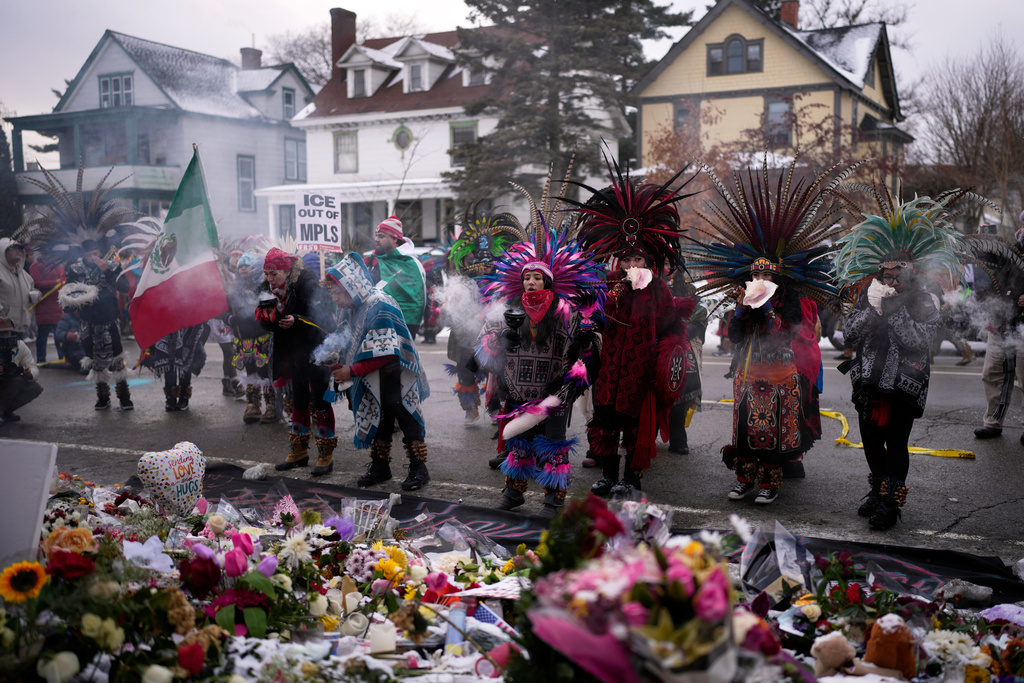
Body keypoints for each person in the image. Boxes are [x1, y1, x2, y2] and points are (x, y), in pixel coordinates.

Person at [684, 160, 850, 505]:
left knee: (773, 431)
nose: (763, 282)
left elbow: (790, 333)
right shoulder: (744, 300)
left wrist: (769, 309)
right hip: (748, 372)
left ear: (777, 280)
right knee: (746, 428)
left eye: (769, 278)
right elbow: (734, 335)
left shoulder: (789, 301)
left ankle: (771, 481)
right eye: (758, 277)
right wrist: (744, 308)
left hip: (780, 374)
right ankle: (745, 478)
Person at [832, 191, 965, 530]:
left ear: (908, 276)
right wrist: (873, 309)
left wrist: (892, 313)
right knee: (871, 440)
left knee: (896, 443)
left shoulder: (923, 300)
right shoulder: (870, 293)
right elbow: (849, 333)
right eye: (884, 277)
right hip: (869, 382)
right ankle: (877, 491)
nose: (889, 282)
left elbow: (919, 340)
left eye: (895, 278)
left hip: (905, 384)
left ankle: (891, 502)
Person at [568, 161, 698, 497]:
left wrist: (666, 357)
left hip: (642, 371)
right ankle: (609, 475)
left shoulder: (659, 290)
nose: (631, 266)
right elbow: (594, 318)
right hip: (610, 370)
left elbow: (671, 326)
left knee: (637, 428)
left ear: (648, 261)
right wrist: (588, 321)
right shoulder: (609, 283)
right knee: (606, 423)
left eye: (637, 260)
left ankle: (633, 477)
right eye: (625, 260)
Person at [475, 197, 605, 516]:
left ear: (547, 281)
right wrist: (497, 339)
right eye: (526, 278)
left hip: (553, 394)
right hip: (519, 392)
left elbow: (582, 352)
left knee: (553, 446)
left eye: (537, 278)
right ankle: (513, 493)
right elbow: (486, 347)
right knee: (519, 443)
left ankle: (553, 499)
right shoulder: (510, 311)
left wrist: (586, 339)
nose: (531, 282)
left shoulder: (564, 311)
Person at [322, 252, 431, 489]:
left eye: (337, 292)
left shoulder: (379, 305)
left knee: (405, 415)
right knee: (379, 416)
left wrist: (352, 371)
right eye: (332, 293)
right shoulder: (349, 306)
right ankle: (381, 467)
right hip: (372, 373)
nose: (334, 298)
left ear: (352, 287)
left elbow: (387, 352)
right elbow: (345, 338)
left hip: (396, 370)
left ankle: (419, 468)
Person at [256, 248, 336, 475]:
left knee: (320, 400)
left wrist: (298, 320)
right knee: (299, 399)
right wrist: (266, 318)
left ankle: (325, 453)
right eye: (267, 274)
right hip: (293, 352)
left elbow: (324, 321)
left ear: (287, 270)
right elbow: (266, 322)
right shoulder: (265, 288)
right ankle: (299, 451)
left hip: (316, 348)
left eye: (274, 274)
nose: (270, 280)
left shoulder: (307, 284)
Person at [967, 219, 1024, 443]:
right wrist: (984, 241)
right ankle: (993, 422)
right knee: (993, 373)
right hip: (1002, 322)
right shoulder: (1012, 250)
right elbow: (988, 265)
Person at [59, 245, 134, 411]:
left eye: (96, 253)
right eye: (89, 254)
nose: (93, 257)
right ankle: (102, 396)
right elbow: (69, 293)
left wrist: (107, 271)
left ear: (101, 252)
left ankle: (124, 397)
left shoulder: (113, 266)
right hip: (88, 320)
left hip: (110, 318)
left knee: (117, 358)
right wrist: (71, 303)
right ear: (83, 255)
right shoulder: (76, 270)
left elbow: (125, 287)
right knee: (95, 359)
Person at [229, 250, 275, 424]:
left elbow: (271, 306)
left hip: (261, 335)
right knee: (250, 372)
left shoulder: (264, 285)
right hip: (243, 338)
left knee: (264, 371)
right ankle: (253, 405)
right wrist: (229, 318)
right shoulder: (234, 286)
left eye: (248, 265)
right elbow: (226, 308)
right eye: (241, 266)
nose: (243, 269)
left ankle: (271, 406)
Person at [364, 216, 426, 336]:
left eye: (381, 236)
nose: (376, 239)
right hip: (377, 320)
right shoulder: (373, 261)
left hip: (406, 323)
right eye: (376, 235)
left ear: (394, 239)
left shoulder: (412, 263)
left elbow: (420, 297)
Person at [142, 323, 211, 411]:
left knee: (185, 362)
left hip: (186, 326)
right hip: (167, 325)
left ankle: (184, 396)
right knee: (168, 362)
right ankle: (170, 397)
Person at [0, 317, 43, 423]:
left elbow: (33, 368)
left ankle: (5, 411)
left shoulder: (19, 346)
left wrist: (29, 373)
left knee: (33, 387)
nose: (4, 336)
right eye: (1, 333)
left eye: (7, 332)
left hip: (7, 382)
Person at [28, 250, 64, 362]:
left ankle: (62, 357)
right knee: (43, 334)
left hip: (58, 305)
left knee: (59, 335)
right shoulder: (36, 266)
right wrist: (55, 282)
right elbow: (36, 282)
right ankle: (41, 359)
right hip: (44, 306)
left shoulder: (58, 266)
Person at [0, 239, 37, 339]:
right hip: (3, 327)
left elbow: (32, 289)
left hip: (20, 326)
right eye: (13, 249)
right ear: (3, 251)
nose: (18, 251)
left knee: (17, 353)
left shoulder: (23, 274)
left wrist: (35, 294)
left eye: (20, 249)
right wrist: (2, 313)